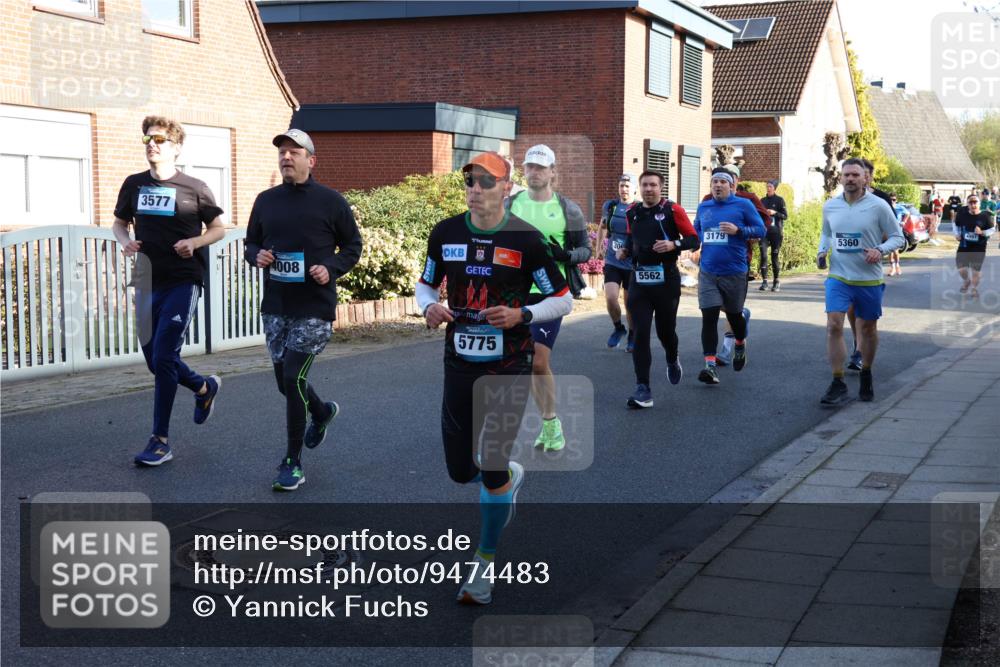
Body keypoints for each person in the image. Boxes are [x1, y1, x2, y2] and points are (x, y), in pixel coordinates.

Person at [416, 151, 572, 604]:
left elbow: (560, 299)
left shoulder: (528, 240)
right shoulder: (445, 233)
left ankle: (482, 567)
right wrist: (428, 305)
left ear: (507, 188)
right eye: (470, 180)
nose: (477, 188)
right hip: (460, 361)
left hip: (510, 362)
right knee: (460, 470)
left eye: (487, 181)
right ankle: (506, 481)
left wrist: (522, 312)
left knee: (493, 461)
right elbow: (426, 282)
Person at [245, 129, 362, 491]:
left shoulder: (331, 202)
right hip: (277, 305)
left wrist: (331, 267)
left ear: (311, 160)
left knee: (293, 377)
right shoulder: (265, 201)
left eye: (294, 152)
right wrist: (256, 256)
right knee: (285, 383)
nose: (286, 157)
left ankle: (292, 462)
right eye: (282, 151)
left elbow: (353, 246)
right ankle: (322, 411)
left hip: (314, 305)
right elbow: (251, 242)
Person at [113, 116, 226, 467]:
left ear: (175, 147)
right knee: (154, 361)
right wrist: (126, 242)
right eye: (148, 139)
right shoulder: (133, 185)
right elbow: (119, 223)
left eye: (160, 140)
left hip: (182, 280)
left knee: (164, 356)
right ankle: (204, 388)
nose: (152, 145)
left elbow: (219, 229)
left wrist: (195, 241)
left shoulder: (195, 187)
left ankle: (160, 440)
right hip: (146, 281)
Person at [507, 144, 591, 452]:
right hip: (514, 290)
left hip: (550, 292)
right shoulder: (511, 204)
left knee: (539, 360)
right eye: (530, 166)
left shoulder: (568, 208)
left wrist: (565, 255)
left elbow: (586, 250)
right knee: (517, 361)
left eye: (541, 167)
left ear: (553, 172)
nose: (535, 172)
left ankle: (551, 423)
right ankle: (534, 424)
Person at [818, 158, 904, 405]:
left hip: (868, 279)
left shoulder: (878, 206)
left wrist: (880, 249)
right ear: (841, 178)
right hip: (839, 276)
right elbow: (826, 233)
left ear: (865, 178)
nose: (850, 179)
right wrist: (822, 251)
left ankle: (866, 371)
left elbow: (898, 238)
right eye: (846, 175)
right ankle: (838, 381)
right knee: (834, 325)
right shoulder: (831, 206)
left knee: (868, 329)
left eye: (855, 175)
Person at [615, 171, 699, 407]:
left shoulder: (673, 210)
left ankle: (672, 358)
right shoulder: (633, 212)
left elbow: (694, 240)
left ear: (660, 187)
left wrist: (674, 244)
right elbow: (634, 241)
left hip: (666, 280)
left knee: (665, 332)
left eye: (653, 185)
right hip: (639, 279)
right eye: (645, 185)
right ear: (639, 188)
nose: (649, 189)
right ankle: (643, 389)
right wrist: (626, 251)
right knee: (640, 332)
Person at [692, 168, 766, 385]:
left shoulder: (743, 205)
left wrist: (738, 230)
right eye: (714, 181)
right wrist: (695, 243)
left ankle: (740, 343)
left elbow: (761, 230)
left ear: (731, 185)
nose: (717, 185)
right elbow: (696, 229)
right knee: (709, 317)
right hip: (708, 271)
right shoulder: (704, 206)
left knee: (734, 316)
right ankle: (710, 365)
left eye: (722, 182)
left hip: (734, 271)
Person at [597, 173, 637, 350]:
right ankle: (618, 328)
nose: (624, 189)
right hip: (613, 261)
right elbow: (603, 226)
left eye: (627, 186)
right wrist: (599, 246)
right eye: (621, 186)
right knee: (611, 298)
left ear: (634, 188)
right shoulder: (611, 206)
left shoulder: (639, 208)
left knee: (630, 304)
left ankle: (633, 335)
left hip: (631, 264)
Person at [953, 193, 995, 299]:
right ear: (967, 204)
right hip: (964, 246)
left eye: (975, 202)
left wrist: (982, 232)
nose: (973, 205)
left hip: (979, 247)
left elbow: (992, 230)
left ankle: (974, 289)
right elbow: (955, 224)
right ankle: (967, 281)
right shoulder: (962, 214)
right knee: (961, 269)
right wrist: (957, 234)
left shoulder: (985, 216)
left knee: (975, 271)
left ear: (979, 204)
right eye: (970, 203)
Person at [759, 179, 787, 292]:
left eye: (770, 186)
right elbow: (758, 215)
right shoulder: (762, 200)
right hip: (764, 232)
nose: (768, 188)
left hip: (776, 233)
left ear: (774, 188)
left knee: (774, 256)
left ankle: (776, 281)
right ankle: (764, 281)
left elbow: (785, 216)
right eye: (767, 186)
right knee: (764, 256)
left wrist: (775, 213)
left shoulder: (780, 200)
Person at [887, 193, 907, 277]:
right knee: (890, 250)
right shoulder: (886, 207)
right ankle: (893, 267)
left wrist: (904, 221)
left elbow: (907, 213)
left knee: (895, 250)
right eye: (891, 199)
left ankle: (897, 265)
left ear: (896, 200)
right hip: (888, 231)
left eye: (894, 199)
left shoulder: (899, 207)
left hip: (898, 231)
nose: (892, 201)